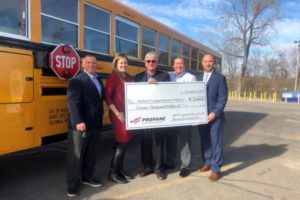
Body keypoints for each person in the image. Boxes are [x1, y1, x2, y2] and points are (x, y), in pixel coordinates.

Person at [66, 55, 104, 197]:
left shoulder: (98, 79)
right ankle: (72, 185)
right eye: (88, 63)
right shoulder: (77, 80)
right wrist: (78, 121)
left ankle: (88, 177)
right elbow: (72, 102)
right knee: (76, 156)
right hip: (81, 125)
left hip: (95, 123)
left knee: (91, 154)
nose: (91, 65)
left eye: (94, 63)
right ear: (83, 64)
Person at [134, 51, 170, 180]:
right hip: (143, 116)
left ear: (157, 63)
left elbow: (169, 94)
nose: (151, 63)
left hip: (158, 116)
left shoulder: (164, 76)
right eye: (148, 61)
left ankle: (158, 168)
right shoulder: (137, 77)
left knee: (158, 142)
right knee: (145, 141)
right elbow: (134, 96)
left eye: (153, 61)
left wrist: (158, 85)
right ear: (145, 63)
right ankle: (147, 167)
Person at [197, 54, 228, 182]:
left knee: (216, 143)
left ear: (214, 63)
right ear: (202, 63)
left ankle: (216, 169)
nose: (208, 63)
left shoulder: (220, 78)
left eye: (210, 61)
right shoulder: (198, 78)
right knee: (205, 141)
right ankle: (207, 162)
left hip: (215, 117)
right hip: (201, 116)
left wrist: (214, 113)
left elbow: (223, 98)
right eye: (206, 61)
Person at [105, 53, 133, 184]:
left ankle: (120, 169)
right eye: (121, 63)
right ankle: (112, 173)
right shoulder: (113, 77)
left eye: (125, 63)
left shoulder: (128, 77)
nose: (124, 65)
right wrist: (117, 113)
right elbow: (108, 97)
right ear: (116, 64)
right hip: (118, 115)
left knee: (125, 143)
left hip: (129, 115)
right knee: (122, 142)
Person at [167, 57, 196, 178]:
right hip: (170, 116)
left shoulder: (190, 78)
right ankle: (170, 163)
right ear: (173, 65)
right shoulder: (168, 76)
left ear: (185, 65)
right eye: (176, 63)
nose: (178, 66)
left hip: (184, 115)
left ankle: (185, 166)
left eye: (181, 64)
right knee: (170, 140)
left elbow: (195, 97)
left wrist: (195, 116)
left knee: (185, 141)